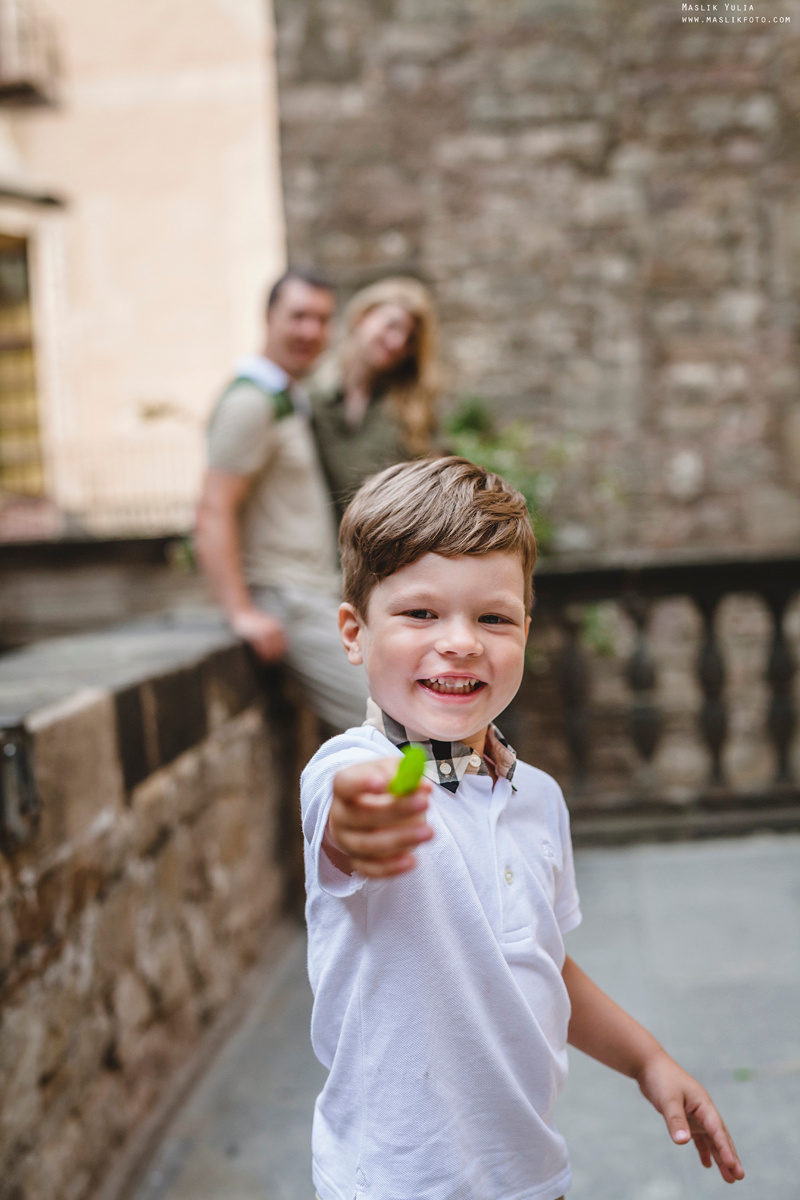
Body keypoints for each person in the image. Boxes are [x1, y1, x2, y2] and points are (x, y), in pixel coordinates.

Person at [301, 457, 744, 1200]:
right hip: (395, 1182)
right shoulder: (356, 768)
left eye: (493, 618)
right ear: (355, 632)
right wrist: (364, 818)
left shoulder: (536, 796)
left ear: (526, 633)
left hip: (530, 1176)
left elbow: (542, 963)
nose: (461, 642)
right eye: (420, 614)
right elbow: (348, 813)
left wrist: (648, 1061)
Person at [195, 268, 368, 732]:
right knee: (390, 723)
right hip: (286, 599)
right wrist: (241, 613)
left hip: (315, 593)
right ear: (269, 317)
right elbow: (212, 509)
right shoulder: (249, 402)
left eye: (322, 319)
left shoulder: (287, 397)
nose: (310, 331)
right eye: (298, 316)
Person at [310, 276, 439, 523]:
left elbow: (437, 489)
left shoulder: (413, 410)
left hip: (389, 539)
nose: (398, 342)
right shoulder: (311, 397)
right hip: (321, 541)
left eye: (410, 338)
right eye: (392, 325)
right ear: (362, 317)